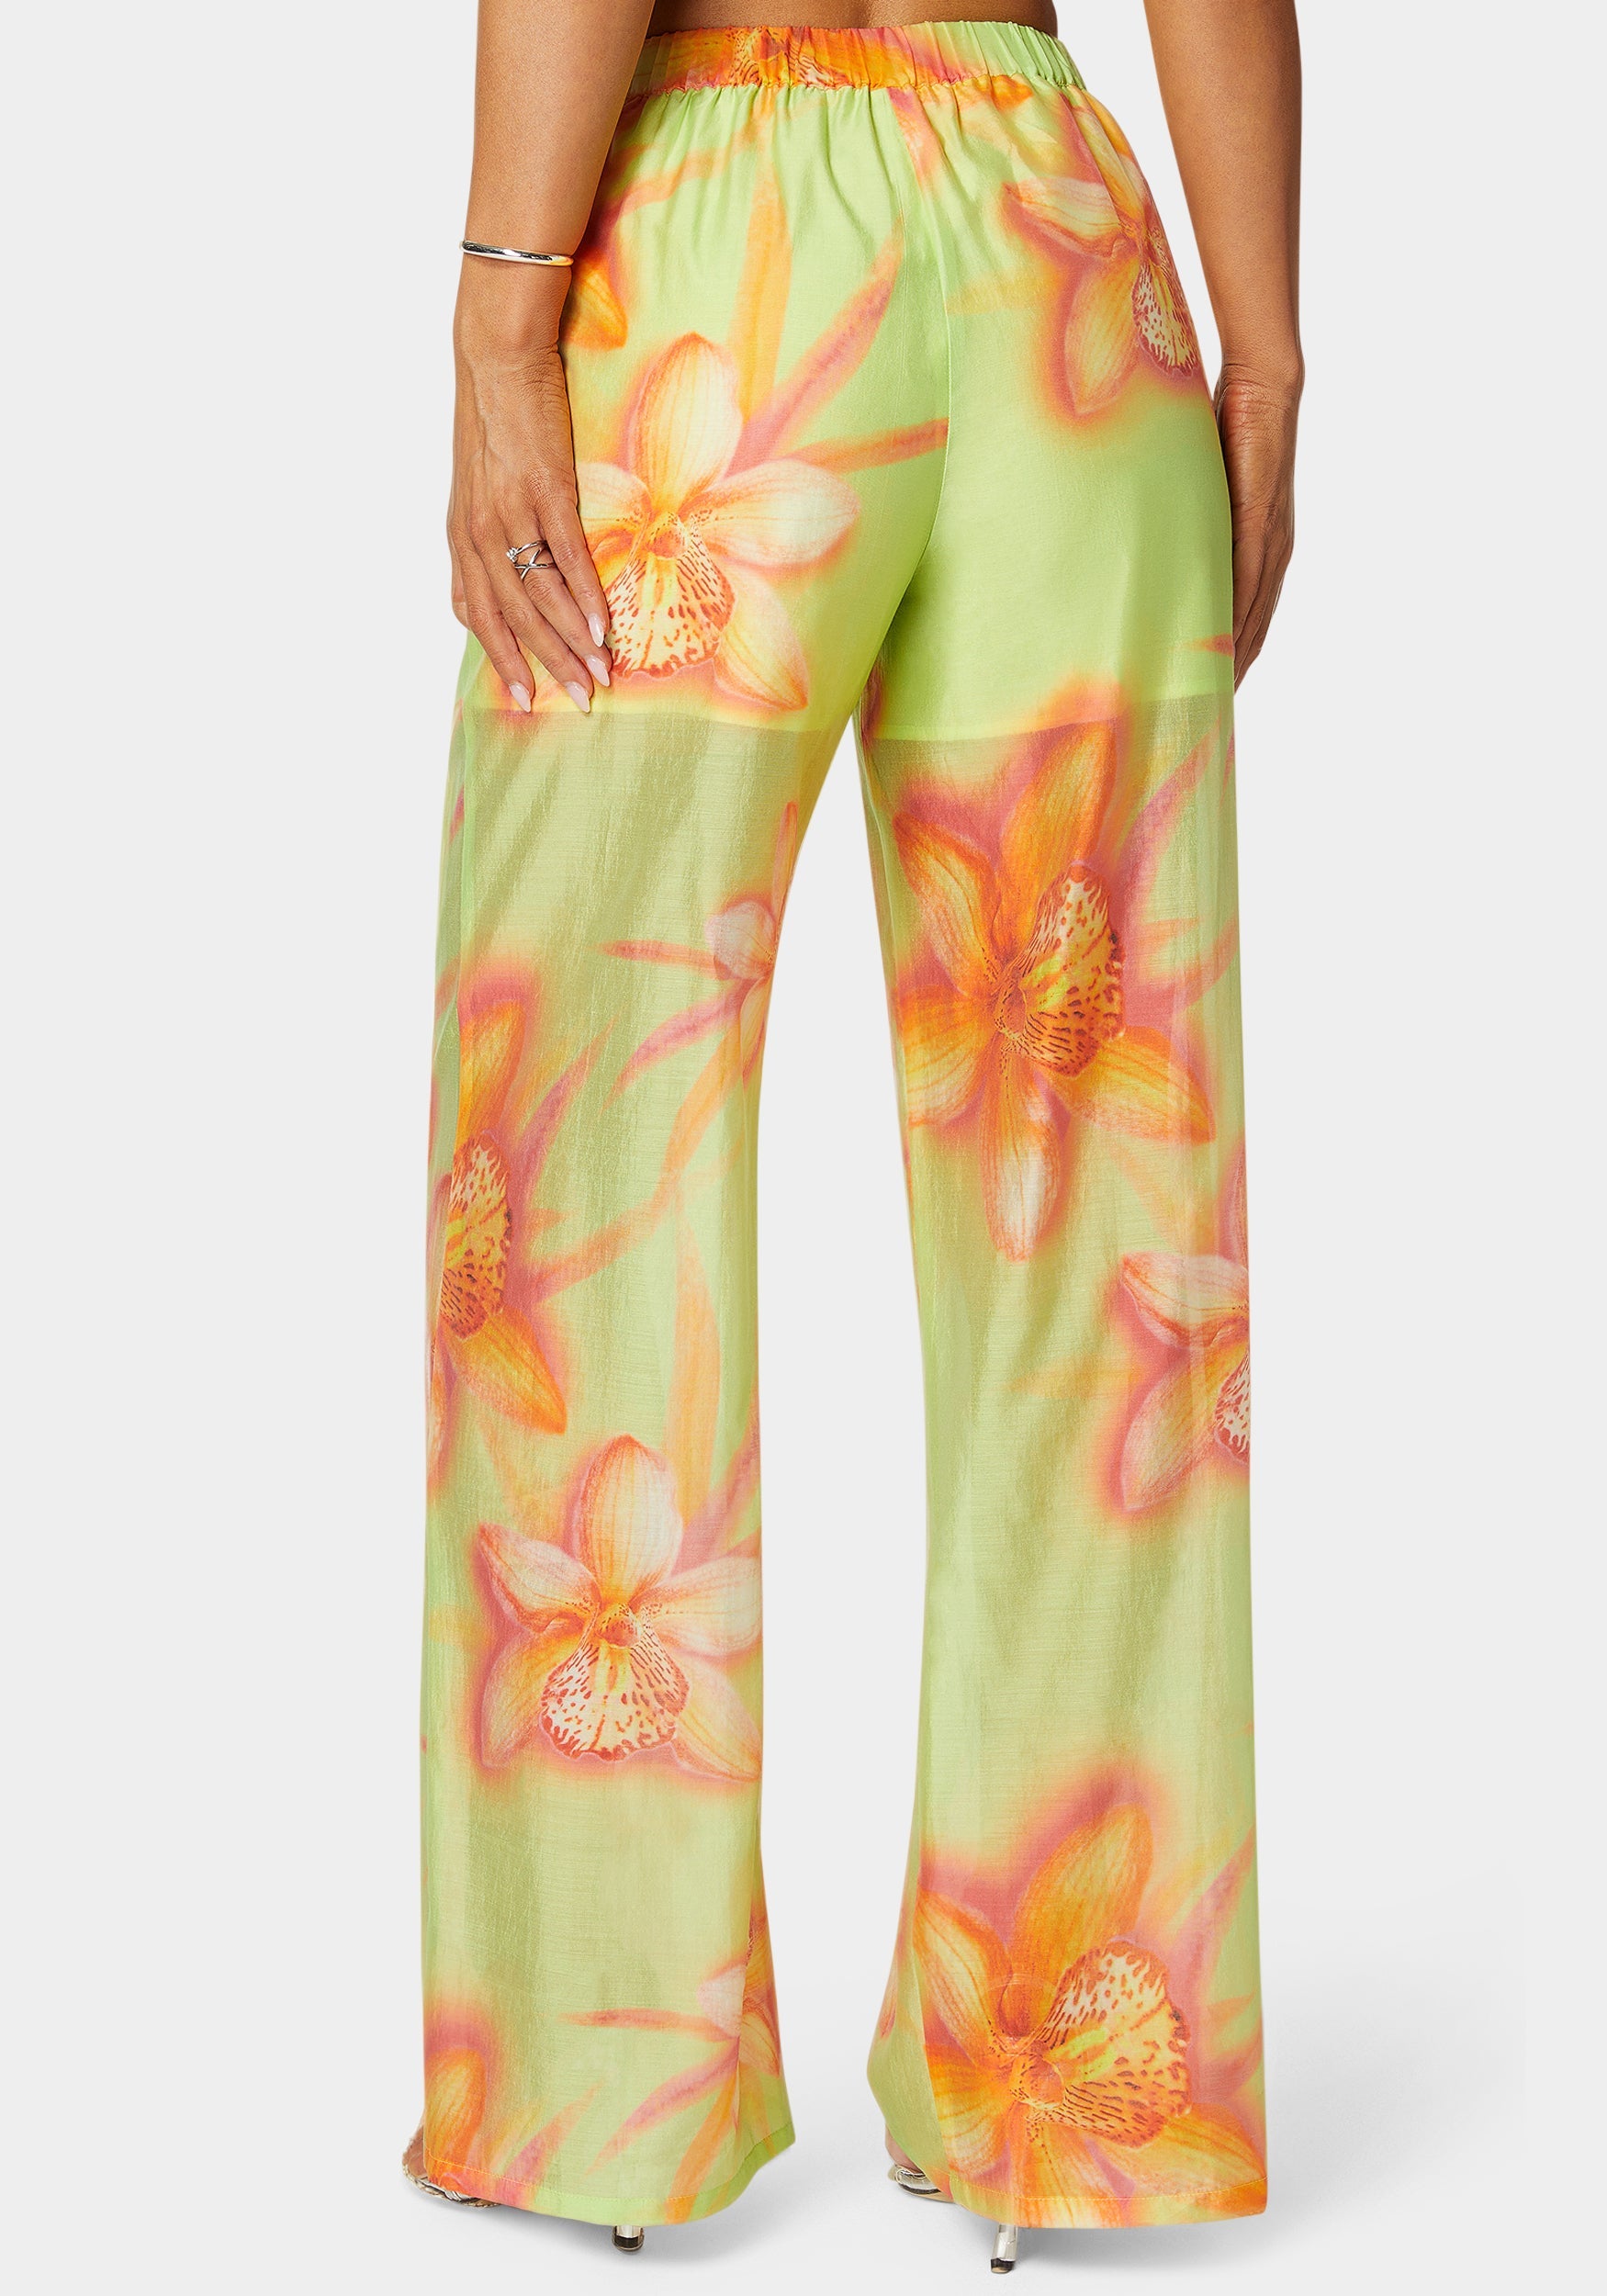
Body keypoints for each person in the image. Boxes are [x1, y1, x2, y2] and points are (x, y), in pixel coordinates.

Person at [410, 0, 1300, 2262]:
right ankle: (1059, 2095)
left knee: (577, 1167)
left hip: (726, 260)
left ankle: (600, 2084)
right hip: (1062, 263)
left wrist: (502, 310)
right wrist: (1264, 347)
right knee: (1097, 1231)